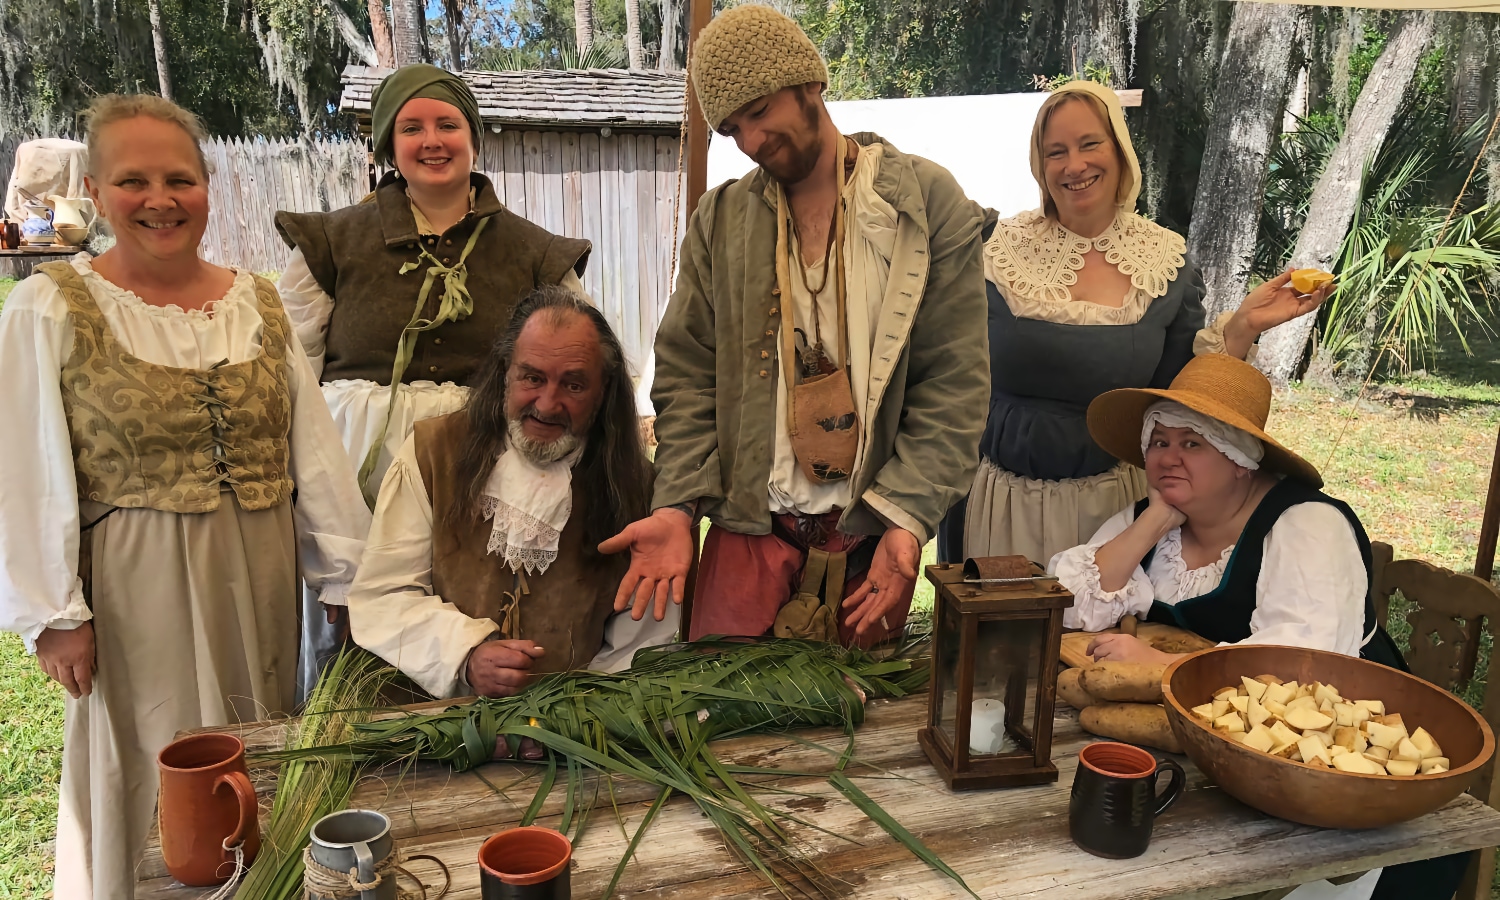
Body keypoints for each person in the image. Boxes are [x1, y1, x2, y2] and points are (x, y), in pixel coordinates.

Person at [0, 95, 369, 899]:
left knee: (257, 744)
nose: (159, 199)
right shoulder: (52, 307)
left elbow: (313, 449)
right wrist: (56, 616)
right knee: (155, 751)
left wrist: (344, 575)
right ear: (94, 191)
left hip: (260, 572)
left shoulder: (261, 303)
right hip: (138, 583)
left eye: (179, 178)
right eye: (132, 180)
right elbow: (25, 470)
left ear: (207, 185)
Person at [602, 5, 988, 647]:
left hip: (873, 538)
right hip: (748, 533)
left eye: (759, 111)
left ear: (811, 82)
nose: (751, 142)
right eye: (731, 129)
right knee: (721, 723)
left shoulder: (920, 203)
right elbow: (686, 374)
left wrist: (908, 517)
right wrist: (676, 504)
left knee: (856, 737)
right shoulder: (721, 220)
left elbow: (954, 382)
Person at [1049, 351, 1461, 900]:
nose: (1168, 458)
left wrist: (1163, 667)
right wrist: (1154, 520)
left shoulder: (1307, 525)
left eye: (1192, 443)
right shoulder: (1158, 517)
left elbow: (1302, 668)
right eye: (1159, 442)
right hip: (1202, 755)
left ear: (1240, 459)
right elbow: (1071, 608)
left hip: (1328, 767)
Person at [274, 64, 593, 696]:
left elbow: (579, 360)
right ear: (388, 144)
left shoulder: (532, 250)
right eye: (411, 126)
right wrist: (321, 520)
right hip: (350, 478)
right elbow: (290, 378)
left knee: (469, 612)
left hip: (473, 468)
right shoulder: (335, 242)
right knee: (348, 635)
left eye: (448, 124)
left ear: (474, 138)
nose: (432, 140)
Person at [939, 80, 1330, 568]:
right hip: (1000, 503)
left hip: (1112, 514)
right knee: (1002, 640)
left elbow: (1181, 394)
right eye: (1055, 151)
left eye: (1089, 144)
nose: (1074, 165)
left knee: (1094, 642)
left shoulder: (1163, 263)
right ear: (1039, 166)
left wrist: (1244, 325)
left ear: (1120, 150)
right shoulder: (996, 249)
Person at [349, 286, 677, 699]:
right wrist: (464, 656)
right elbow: (384, 594)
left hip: (574, 736)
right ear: (506, 371)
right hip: (433, 723)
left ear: (603, 390)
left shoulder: (637, 488)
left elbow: (642, 642)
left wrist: (575, 716)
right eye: (532, 378)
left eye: (574, 385)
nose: (548, 403)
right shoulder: (432, 453)